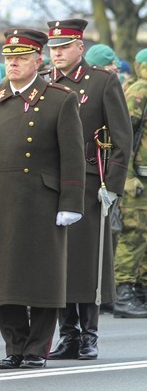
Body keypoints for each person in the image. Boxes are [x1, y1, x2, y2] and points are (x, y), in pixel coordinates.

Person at [0, 28, 85, 370]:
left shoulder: (59, 98)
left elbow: (72, 155)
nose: (12, 64)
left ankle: (38, 346)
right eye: (9, 58)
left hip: (42, 198)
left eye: (21, 58)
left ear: (37, 61)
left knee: (42, 276)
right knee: (5, 277)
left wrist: (71, 201)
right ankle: (14, 344)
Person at [45, 19, 131, 360]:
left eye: (64, 47)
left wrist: (113, 186)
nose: (57, 54)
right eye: (53, 48)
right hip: (51, 182)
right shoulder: (43, 84)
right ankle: (67, 334)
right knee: (59, 262)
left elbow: (121, 140)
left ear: (80, 47)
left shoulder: (101, 82)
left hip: (89, 180)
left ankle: (89, 334)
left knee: (86, 261)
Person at [113, 48, 147, 318]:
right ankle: (123, 292)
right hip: (137, 178)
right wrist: (127, 175)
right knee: (133, 235)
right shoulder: (139, 90)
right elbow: (123, 135)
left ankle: (139, 290)